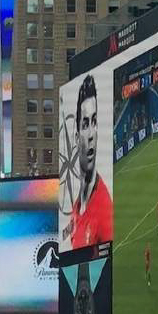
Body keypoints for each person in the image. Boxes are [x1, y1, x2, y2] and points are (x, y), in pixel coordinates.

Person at [64, 74, 113, 249]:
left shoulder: (105, 208)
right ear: (77, 137)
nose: (91, 134)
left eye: (94, 121)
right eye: (85, 124)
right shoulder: (76, 206)